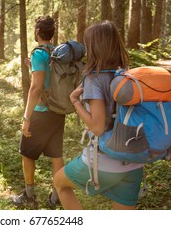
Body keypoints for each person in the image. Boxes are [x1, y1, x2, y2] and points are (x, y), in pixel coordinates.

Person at [53, 20, 144, 210]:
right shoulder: (128, 74)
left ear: (94, 47)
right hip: (135, 162)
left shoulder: (94, 78)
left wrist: (75, 101)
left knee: (59, 183)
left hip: (103, 161)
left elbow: (97, 126)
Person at [12, 16, 65, 209]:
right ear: (51, 33)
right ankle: (56, 198)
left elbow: (35, 89)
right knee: (56, 155)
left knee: (27, 153)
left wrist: (27, 118)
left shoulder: (39, 54)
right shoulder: (56, 52)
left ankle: (29, 196)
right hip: (58, 111)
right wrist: (32, 67)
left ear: (37, 32)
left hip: (41, 112)